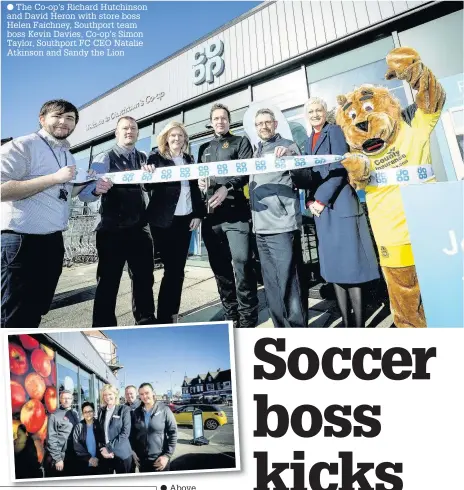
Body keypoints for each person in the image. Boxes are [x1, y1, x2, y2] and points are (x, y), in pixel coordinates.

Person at [0, 99, 100, 328]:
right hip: (20, 240)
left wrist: (92, 185)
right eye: (57, 116)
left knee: (37, 309)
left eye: (70, 118)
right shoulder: (22, 146)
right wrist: (54, 178)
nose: (64, 122)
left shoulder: (68, 155)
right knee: (13, 312)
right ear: (42, 119)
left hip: (53, 241)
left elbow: (65, 192)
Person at [292, 97, 380, 328]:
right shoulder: (308, 140)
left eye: (318, 110)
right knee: (333, 269)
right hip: (322, 213)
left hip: (340, 207)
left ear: (325, 112)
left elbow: (340, 167)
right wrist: (310, 200)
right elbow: (311, 175)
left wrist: (319, 199)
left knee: (351, 269)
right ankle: (345, 320)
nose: (314, 114)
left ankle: (358, 326)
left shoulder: (335, 132)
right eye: (310, 111)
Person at [79, 116, 156, 328]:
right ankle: (103, 327)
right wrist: (96, 189)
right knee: (108, 283)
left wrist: (150, 179)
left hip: (139, 230)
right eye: (125, 128)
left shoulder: (144, 158)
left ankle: (146, 322)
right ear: (117, 133)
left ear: (138, 133)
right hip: (111, 230)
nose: (129, 131)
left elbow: (150, 189)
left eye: (133, 128)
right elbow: (84, 195)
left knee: (144, 280)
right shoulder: (103, 158)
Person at [198, 103, 258, 328]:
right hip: (211, 217)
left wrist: (227, 188)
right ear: (211, 122)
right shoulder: (203, 148)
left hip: (236, 214)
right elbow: (197, 176)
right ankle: (231, 314)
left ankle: (248, 317)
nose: (220, 121)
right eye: (216, 118)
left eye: (224, 118)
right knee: (220, 268)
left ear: (229, 120)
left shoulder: (240, 142)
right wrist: (200, 181)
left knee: (242, 263)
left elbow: (244, 172)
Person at [249, 108, 308, 328]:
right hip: (260, 228)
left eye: (267, 122)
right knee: (271, 285)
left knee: (289, 284)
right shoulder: (255, 152)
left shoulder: (289, 146)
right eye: (259, 123)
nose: (263, 126)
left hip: (282, 225)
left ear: (275, 124)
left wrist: (291, 158)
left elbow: (305, 178)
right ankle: (280, 330)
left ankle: (298, 334)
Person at [142, 122, 206, 324]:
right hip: (162, 222)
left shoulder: (189, 159)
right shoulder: (156, 157)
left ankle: (170, 314)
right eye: (172, 136)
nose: (176, 139)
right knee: (154, 271)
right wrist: (148, 171)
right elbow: (146, 184)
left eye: (180, 135)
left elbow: (194, 188)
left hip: (184, 221)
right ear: (166, 139)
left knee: (177, 271)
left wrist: (198, 214)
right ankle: (151, 316)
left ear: (185, 139)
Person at [130, 383, 177, 473]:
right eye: (141, 394)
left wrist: (167, 455)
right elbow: (132, 434)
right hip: (142, 460)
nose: (144, 396)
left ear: (153, 393)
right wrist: (132, 451)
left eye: (147, 393)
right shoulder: (136, 412)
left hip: (160, 460)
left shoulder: (164, 410)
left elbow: (173, 433)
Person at [97, 384, 132, 474]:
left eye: (110, 394)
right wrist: (102, 449)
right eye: (105, 395)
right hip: (105, 455)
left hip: (121, 455)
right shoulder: (101, 411)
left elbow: (125, 433)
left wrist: (108, 448)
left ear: (115, 395)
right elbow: (99, 432)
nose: (107, 397)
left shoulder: (124, 409)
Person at [43, 390, 79, 477]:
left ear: (72, 400)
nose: (67, 400)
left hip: (73, 455)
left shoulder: (75, 413)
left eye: (69, 398)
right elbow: (51, 438)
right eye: (64, 398)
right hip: (61, 457)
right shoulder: (54, 415)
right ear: (60, 400)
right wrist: (57, 459)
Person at [73, 401, 105, 476]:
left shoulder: (99, 425)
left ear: (94, 412)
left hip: (99, 462)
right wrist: (89, 458)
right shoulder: (79, 426)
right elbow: (77, 445)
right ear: (83, 414)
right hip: (84, 463)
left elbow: (103, 442)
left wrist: (97, 458)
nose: (88, 414)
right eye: (85, 412)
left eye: (90, 411)